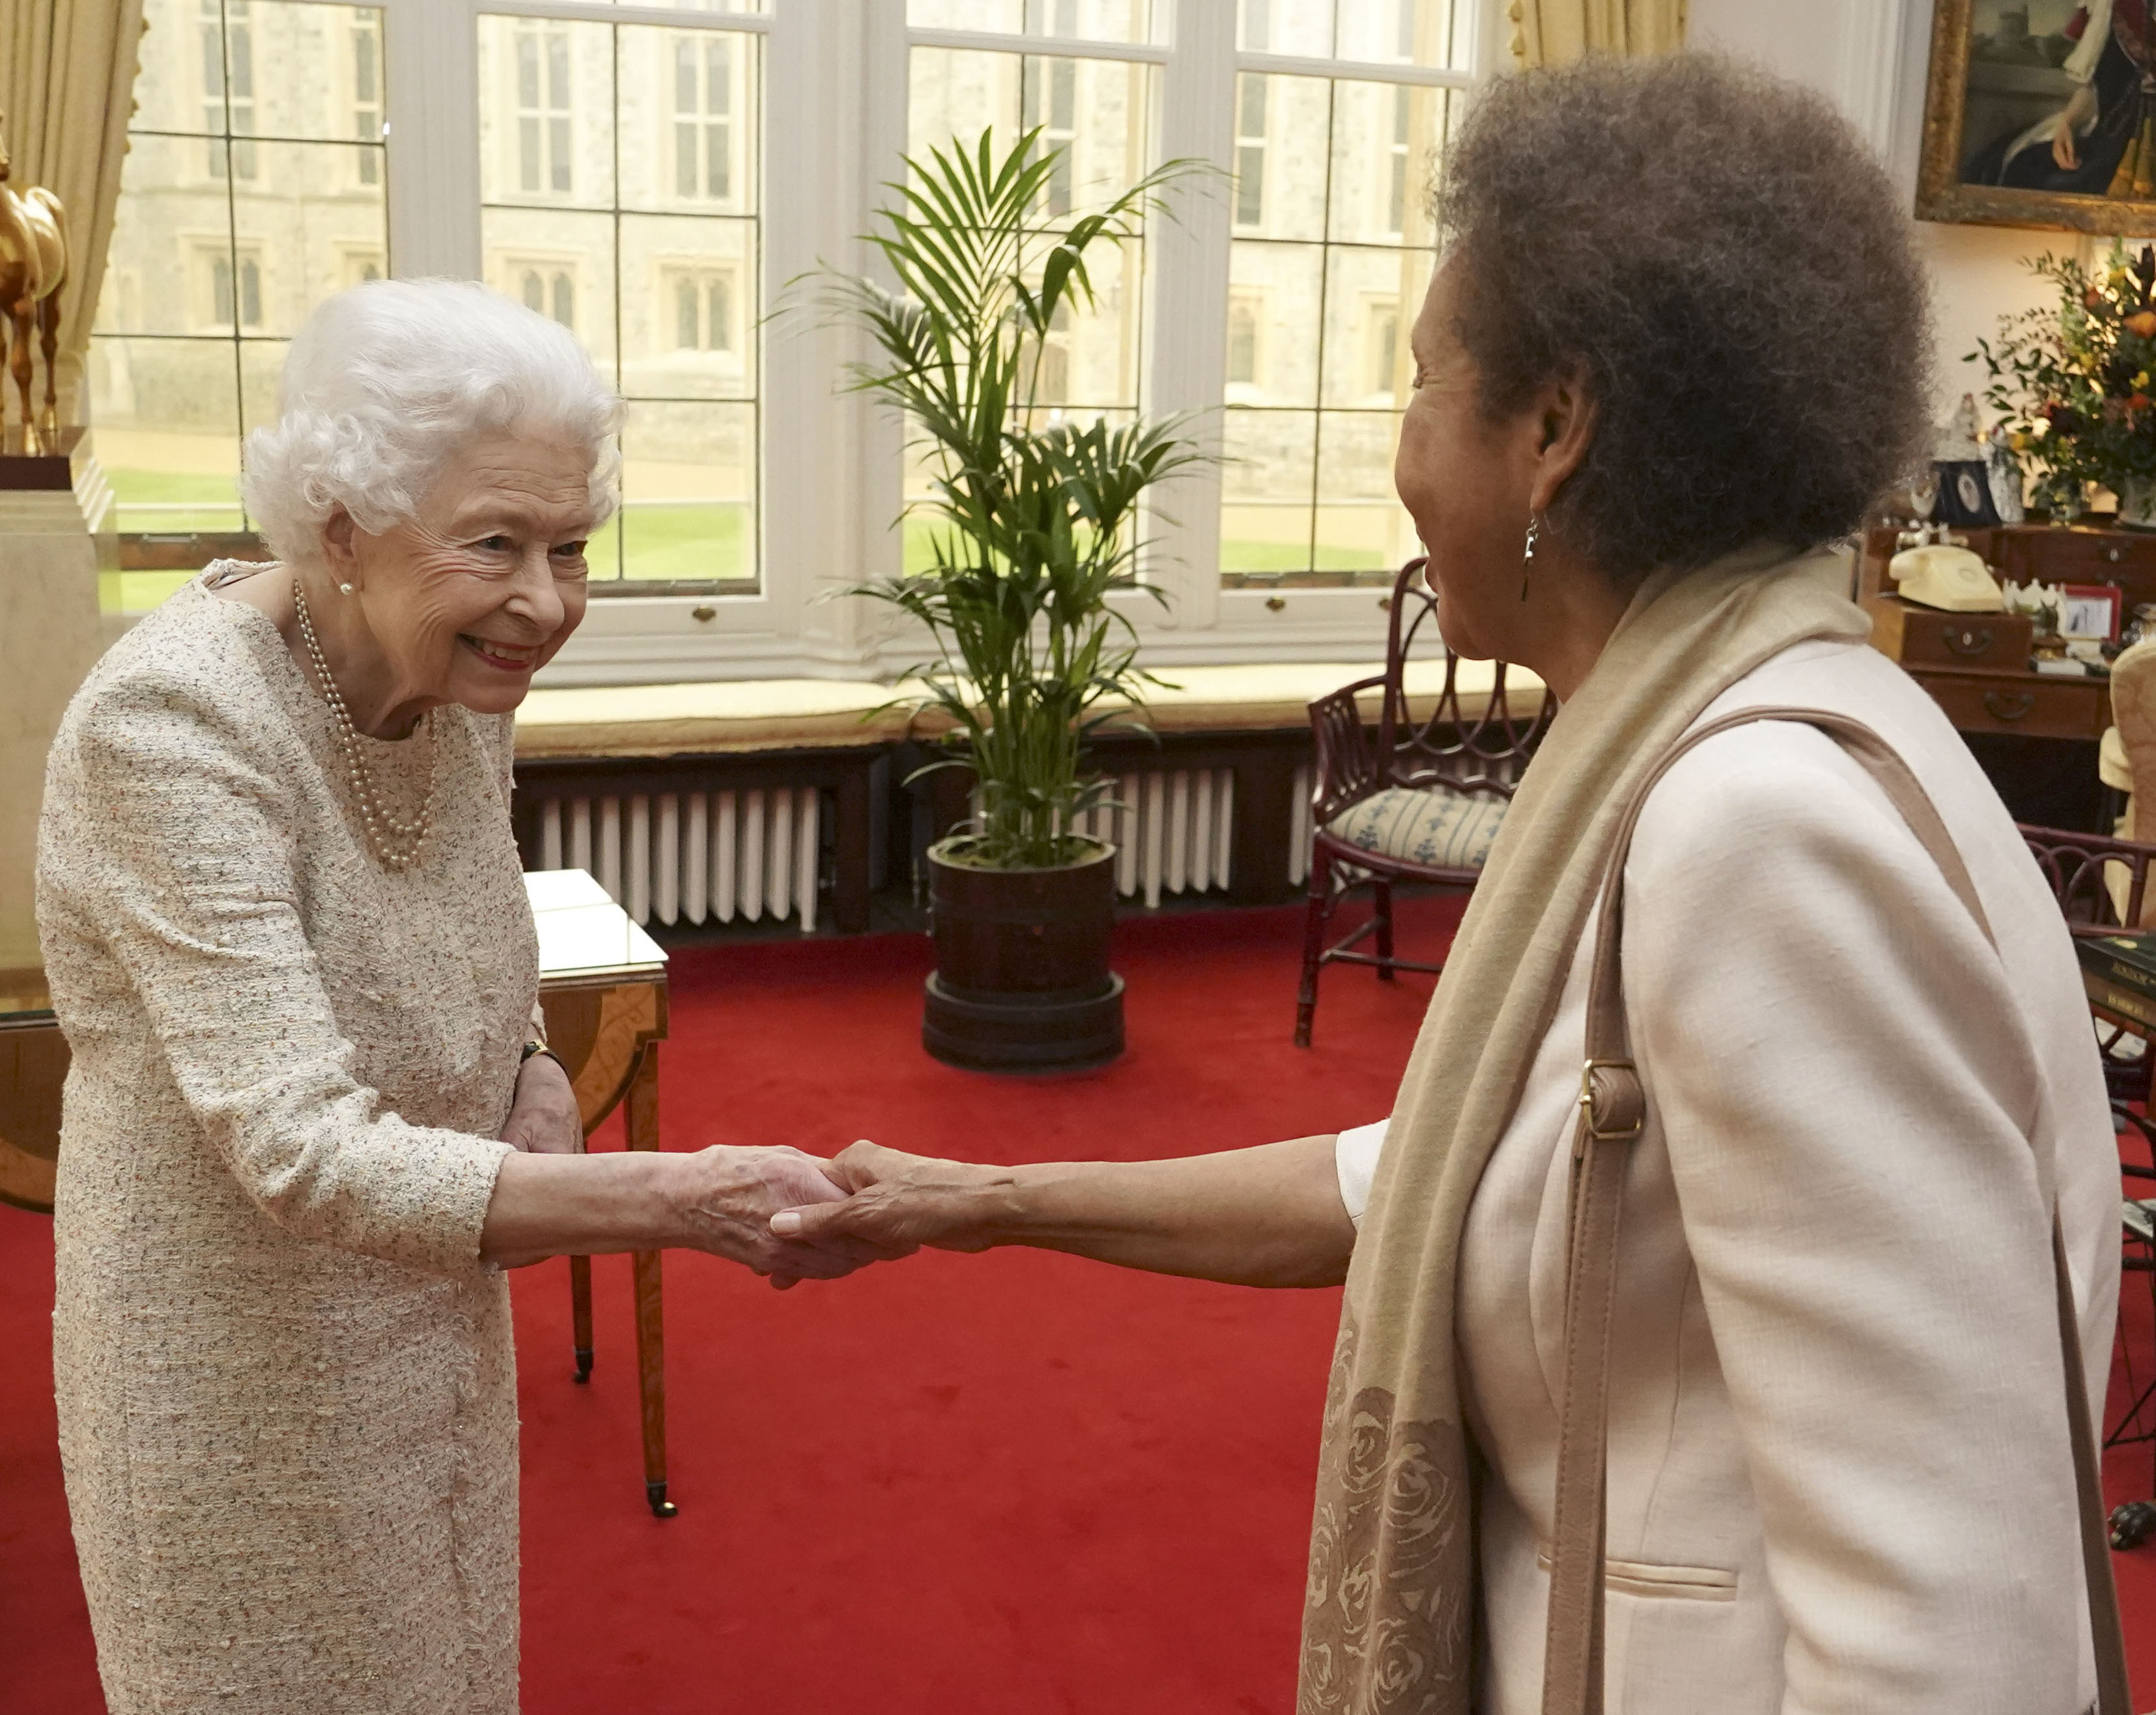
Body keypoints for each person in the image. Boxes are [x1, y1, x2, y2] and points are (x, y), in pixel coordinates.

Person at [777, 56, 2122, 1714]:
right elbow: (1448, 1175)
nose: (1398, 444)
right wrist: (985, 1206)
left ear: (1551, 430)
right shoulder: (1704, 734)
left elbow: (1953, 1640)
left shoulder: (1753, 824)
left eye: (1421, 380)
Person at [35, 280, 870, 1714]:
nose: (546, 603)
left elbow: (471, 924)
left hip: (428, 1322)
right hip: (230, 1362)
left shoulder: (449, 674)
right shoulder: (171, 723)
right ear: (341, 523)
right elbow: (300, 1147)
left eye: (572, 547)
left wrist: (535, 1060)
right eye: (495, 544)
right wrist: (686, 1200)